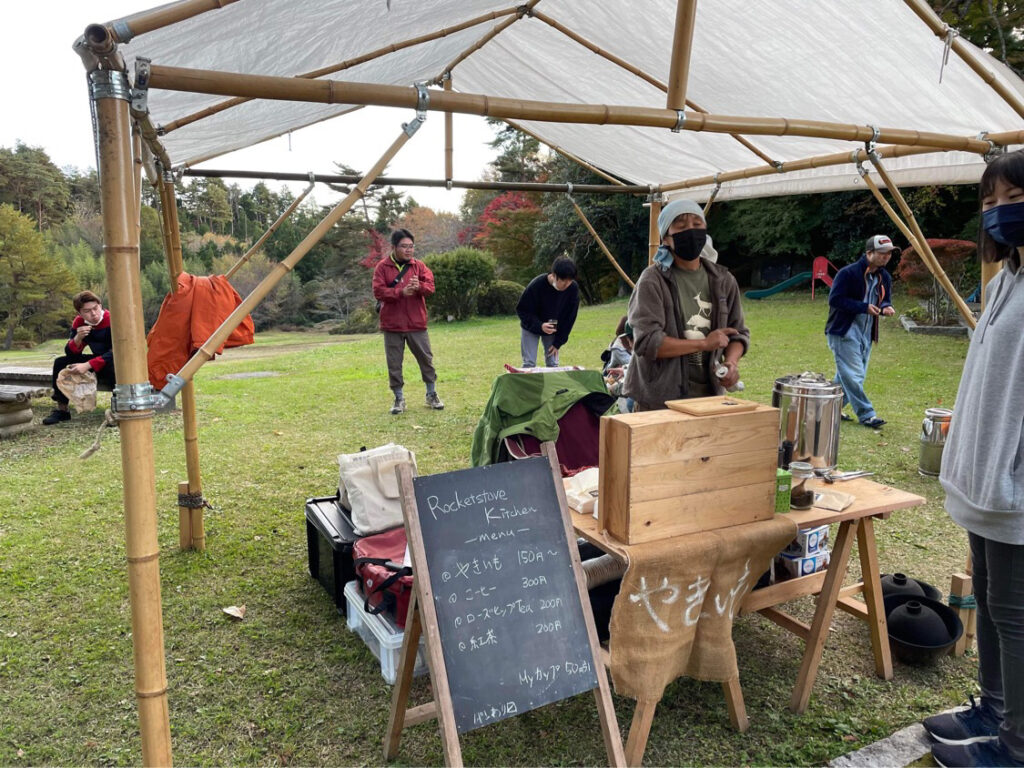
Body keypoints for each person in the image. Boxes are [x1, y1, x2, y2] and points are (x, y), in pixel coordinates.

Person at [924, 149, 1024, 768]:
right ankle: (993, 708)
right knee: (987, 598)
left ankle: (1016, 747)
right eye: (990, 202)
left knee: (1015, 613)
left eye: (1015, 199)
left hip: (1014, 486)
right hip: (984, 478)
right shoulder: (1006, 279)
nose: (999, 212)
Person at [623, 198, 748, 412]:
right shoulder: (652, 281)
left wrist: (731, 363)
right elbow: (648, 342)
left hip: (709, 398)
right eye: (681, 226)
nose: (691, 230)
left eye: (697, 224)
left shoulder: (723, 280)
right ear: (666, 238)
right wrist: (704, 344)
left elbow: (738, 334)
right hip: (659, 401)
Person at [825, 235, 897, 428]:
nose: (886, 256)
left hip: (866, 333)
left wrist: (886, 307)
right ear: (869, 253)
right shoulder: (847, 273)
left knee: (847, 377)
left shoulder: (884, 277)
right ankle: (867, 414)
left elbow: (885, 299)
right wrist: (864, 307)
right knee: (854, 375)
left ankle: (828, 409)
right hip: (843, 331)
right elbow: (835, 300)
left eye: (889, 253)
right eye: (882, 253)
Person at [372, 229, 444, 414]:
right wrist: (400, 292)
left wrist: (419, 287)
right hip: (392, 324)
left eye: (411, 246)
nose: (408, 250)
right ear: (394, 247)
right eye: (404, 246)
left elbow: (431, 287)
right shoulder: (382, 267)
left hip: (416, 323)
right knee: (394, 363)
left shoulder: (419, 266)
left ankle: (431, 394)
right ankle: (399, 398)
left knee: (426, 360)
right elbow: (378, 291)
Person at [42, 290, 115, 425]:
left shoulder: (112, 319)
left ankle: (118, 410)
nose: (93, 313)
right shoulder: (79, 322)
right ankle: (62, 410)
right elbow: (70, 353)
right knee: (60, 362)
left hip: (114, 360)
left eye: (95, 308)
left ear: (100, 305)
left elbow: (116, 352)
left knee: (116, 366)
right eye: (87, 311)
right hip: (98, 360)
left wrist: (88, 365)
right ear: (79, 313)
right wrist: (78, 338)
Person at [515, 256, 580, 368]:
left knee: (553, 363)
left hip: (552, 327)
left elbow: (570, 318)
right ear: (554, 275)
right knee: (529, 364)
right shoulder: (536, 285)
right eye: (563, 281)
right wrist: (539, 325)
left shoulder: (573, 289)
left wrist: (558, 342)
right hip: (531, 325)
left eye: (570, 281)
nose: (566, 285)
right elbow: (522, 310)